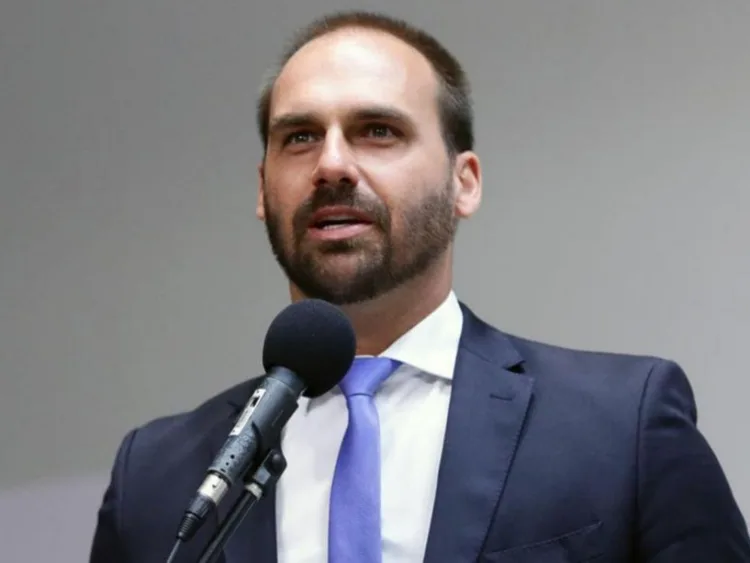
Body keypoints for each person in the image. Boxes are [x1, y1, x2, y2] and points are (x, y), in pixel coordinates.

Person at [89, 10, 750, 563]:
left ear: (465, 182)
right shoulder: (156, 474)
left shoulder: (620, 426)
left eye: (378, 131)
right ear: (262, 190)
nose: (332, 164)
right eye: (300, 136)